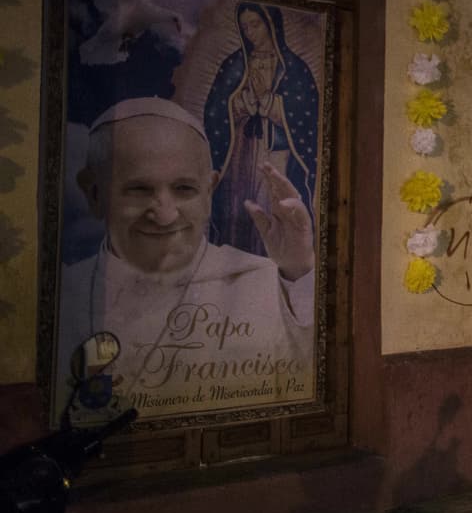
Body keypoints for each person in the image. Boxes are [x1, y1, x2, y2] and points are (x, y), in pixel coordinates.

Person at [55, 97, 316, 425]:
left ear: (210, 191)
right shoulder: (60, 298)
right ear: (94, 194)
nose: (164, 215)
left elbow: (310, 381)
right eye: (138, 189)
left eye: (184, 189)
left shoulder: (261, 280)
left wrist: (300, 268)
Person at [204, 2, 320, 256]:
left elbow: (306, 116)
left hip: (277, 151)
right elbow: (215, 109)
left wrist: (271, 104)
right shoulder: (235, 64)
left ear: (271, 26)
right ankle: (235, 260)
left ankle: (272, 262)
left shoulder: (293, 69)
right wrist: (241, 104)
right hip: (240, 151)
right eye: (245, 27)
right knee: (239, 201)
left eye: (255, 25)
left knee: (272, 202)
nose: (250, 33)